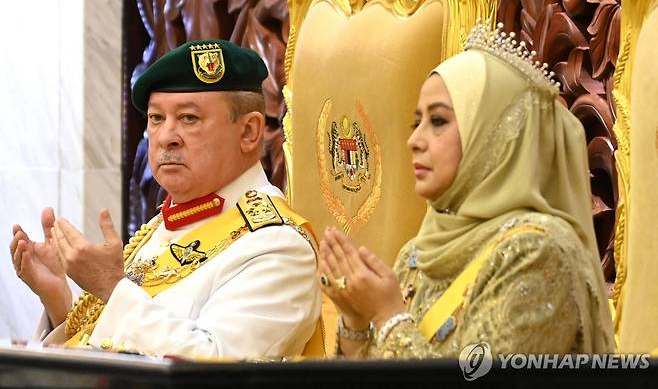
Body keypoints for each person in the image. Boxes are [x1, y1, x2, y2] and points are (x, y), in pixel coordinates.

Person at [318, 22, 615, 358]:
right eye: (417, 123)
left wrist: (387, 315)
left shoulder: (537, 252)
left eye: (439, 121)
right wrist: (356, 321)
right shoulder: (418, 254)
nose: (414, 140)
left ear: (495, 136)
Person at [9, 39, 322, 359]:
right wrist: (58, 300)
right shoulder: (166, 222)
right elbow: (118, 347)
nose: (166, 136)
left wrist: (110, 286)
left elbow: (218, 365)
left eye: (189, 118)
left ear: (249, 132)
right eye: (157, 118)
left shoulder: (277, 244)